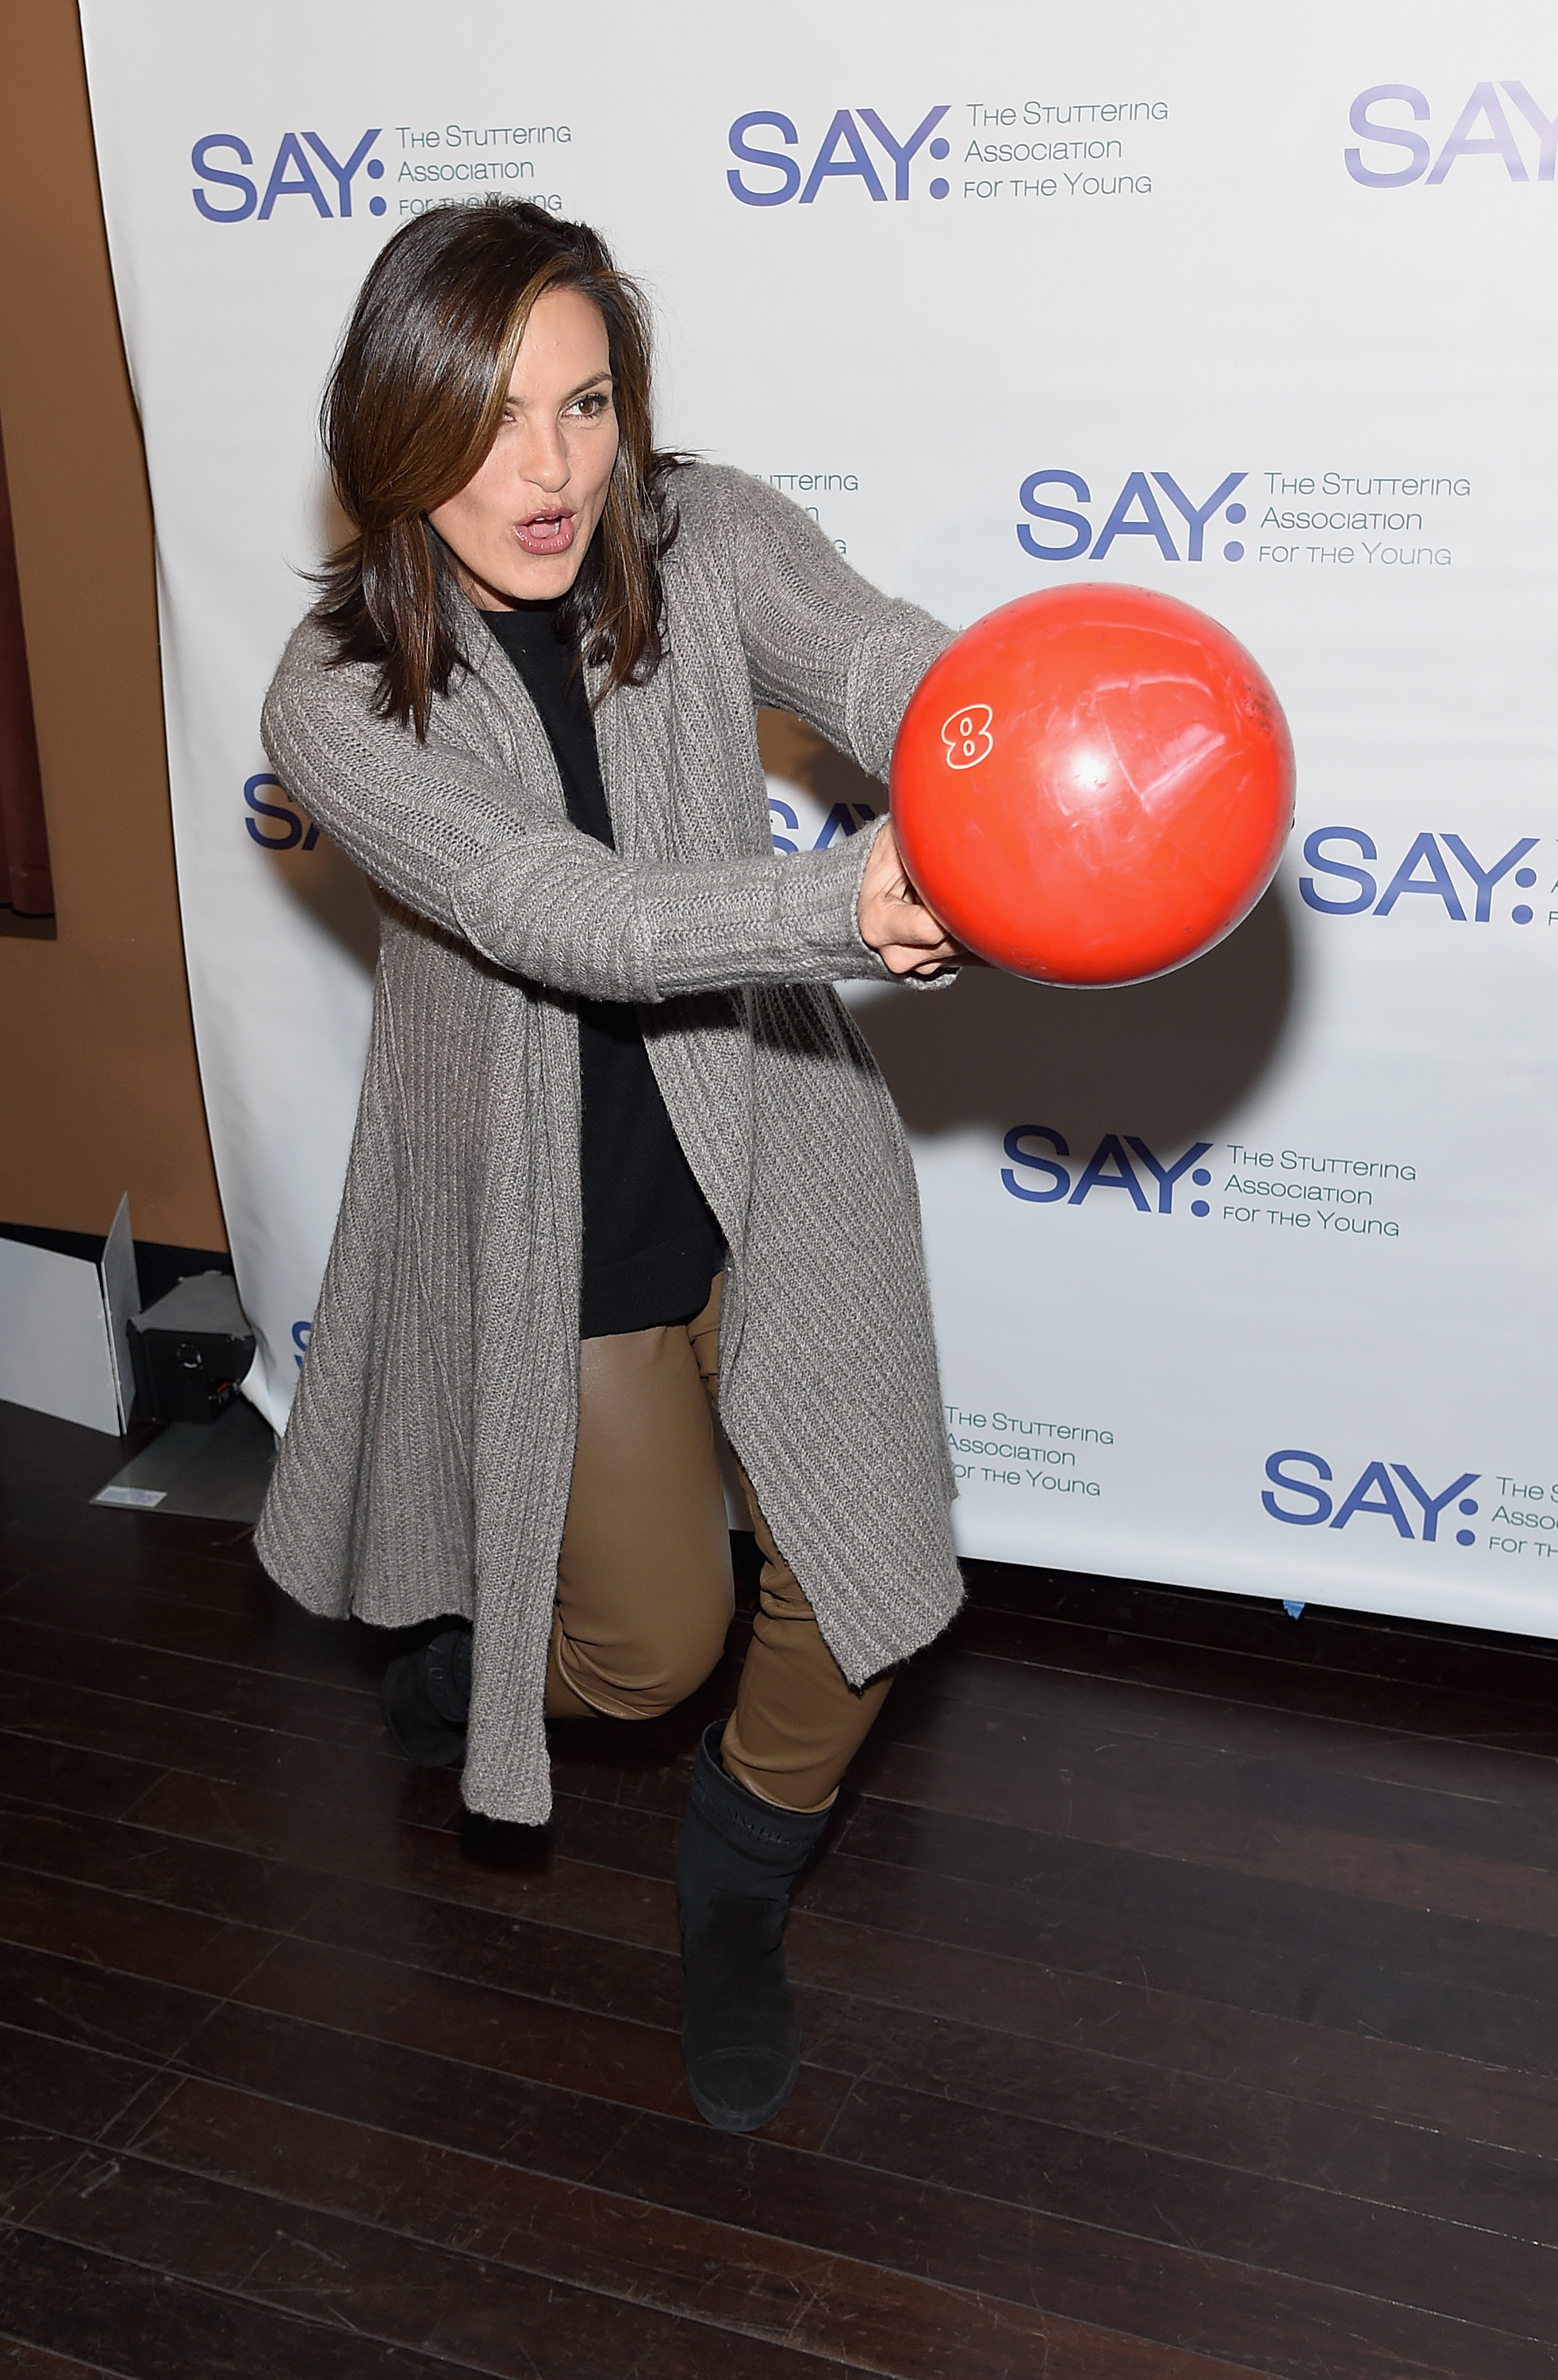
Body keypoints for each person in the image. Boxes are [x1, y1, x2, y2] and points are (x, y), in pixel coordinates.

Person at [255, 198, 965, 2135]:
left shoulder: (700, 533)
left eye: (584, 405)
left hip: (775, 1127)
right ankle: (473, 1673)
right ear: (393, 435)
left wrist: (1004, 765)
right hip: (549, 1193)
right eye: (490, 420)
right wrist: (844, 901)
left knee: (863, 1573)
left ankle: (737, 1871)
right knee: (646, 1654)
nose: (550, 471)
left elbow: (885, 662)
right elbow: (561, 913)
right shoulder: (337, 695)